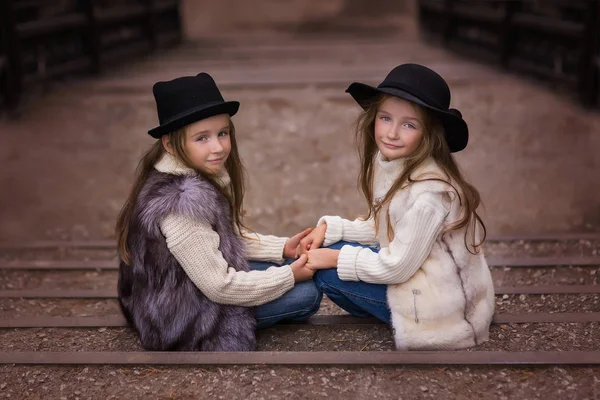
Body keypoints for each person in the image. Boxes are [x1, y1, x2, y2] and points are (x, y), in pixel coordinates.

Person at [116, 72, 321, 351]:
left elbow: (224, 240)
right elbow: (219, 286)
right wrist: (288, 277)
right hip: (185, 317)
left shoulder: (182, 173)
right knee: (307, 294)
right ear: (169, 143)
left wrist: (283, 248)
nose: (218, 147)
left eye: (222, 133)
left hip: (171, 292)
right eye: (202, 138)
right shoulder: (181, 204)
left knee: (285, 272)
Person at [299, 64, 495, 350]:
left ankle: (406, 320)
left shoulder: (430, 196)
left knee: (326, 273)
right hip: (439, 284)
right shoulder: (400, 163)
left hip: (442, 312)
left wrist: (332, 259)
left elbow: (398, 267)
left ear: (429, 134)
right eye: (385, 118)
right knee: (336, 247)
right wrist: (330, 230)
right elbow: (385, 226)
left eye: (409, 124)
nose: (392, 133)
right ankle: (383, 303)